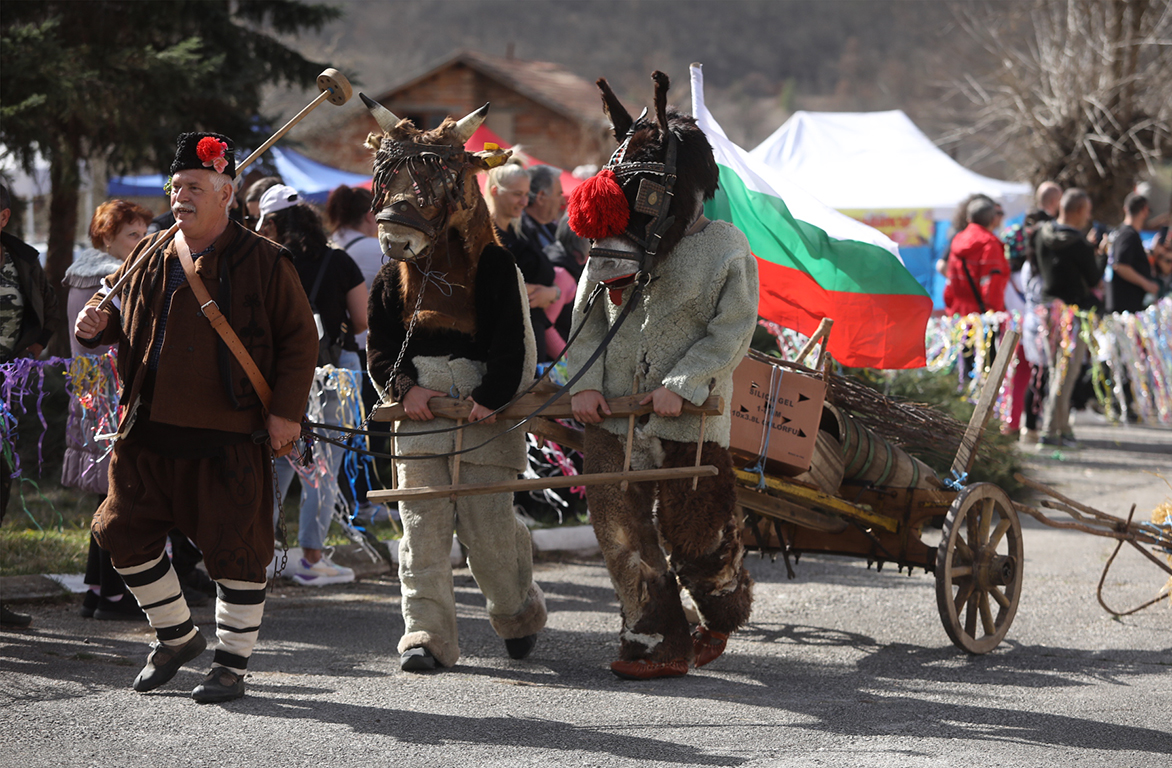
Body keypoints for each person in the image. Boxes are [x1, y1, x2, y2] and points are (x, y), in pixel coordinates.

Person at [74, 132, 318, 703]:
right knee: (121, 533)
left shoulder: (266, 262)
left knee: (237, 550)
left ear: (227, 192)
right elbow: (117, 316)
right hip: (148, 428)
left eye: (194, 187)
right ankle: (177, 636)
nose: (180, 196)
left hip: (228, 432)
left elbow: (300, 341)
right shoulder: (148, 251)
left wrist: (286, 414)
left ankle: (230, 665)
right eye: (176, 186)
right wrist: (96, 327)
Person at [360, 95, 546, 672]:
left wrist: (492, 400)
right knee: (421, 530)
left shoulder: (495, 266)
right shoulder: (393, 275)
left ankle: (517, 612)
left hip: (482, 407)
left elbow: (516, 343)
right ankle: (427, 636)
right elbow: (381, 347)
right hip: (419, 414)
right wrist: (406, 390)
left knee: (489, 533)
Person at [256, 184, 366, 586]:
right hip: (332, 372)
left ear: (271, 224)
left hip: (277, 375)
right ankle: (311, 558)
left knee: (274, 463)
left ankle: (260, 555)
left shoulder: (266, 261)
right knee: (322, 467)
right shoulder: (339, 261)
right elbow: (360, 320)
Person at [63, 200, 154, 620]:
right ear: (106, 237)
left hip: (89, 393)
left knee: (108, 496)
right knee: (119, 496)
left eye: (142, 233)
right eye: (132, 235)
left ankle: (96, 590)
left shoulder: (80, 273)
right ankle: (114, 597)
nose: (141, 241)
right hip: (107, 395)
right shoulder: (108, 278)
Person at [1, 182, 60, 628]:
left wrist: (34, 347)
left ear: (3, 218)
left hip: (6, 391)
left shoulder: (22, 258)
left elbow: (48, 310)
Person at [324, 184, 392, 523]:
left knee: (342, 433)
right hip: (369, 351)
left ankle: (347, 502)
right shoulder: (373, 248)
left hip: (333, 353)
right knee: (365, 434)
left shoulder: (332, 242)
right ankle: (364, 503)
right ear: (370, 216)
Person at [1033, 188, 1104, 448]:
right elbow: (1094, 279)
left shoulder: (1042, 234)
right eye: (1087, 211)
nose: (1088, 217)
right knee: (1067, 373)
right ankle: (1051, 431)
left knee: (1056, 370)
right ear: (1077, 211)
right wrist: (1101, 255)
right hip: (1074, 314)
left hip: (1049, 309)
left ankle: (1062, 428)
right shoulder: (1080, 244)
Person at [486, 162, 559, 363]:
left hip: (532, 333)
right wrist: (519, 291)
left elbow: (548, 273)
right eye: (518, 194)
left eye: (527, 194)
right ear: (495, 192)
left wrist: (553, 292)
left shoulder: (523, 232)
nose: (524, 202)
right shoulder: (483, 235)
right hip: (503, 341)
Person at [523, 166, 575, 358]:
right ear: (541, 196)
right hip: (535, 339)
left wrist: (555, 292)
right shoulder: (522, 230)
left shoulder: (550, 229)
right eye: (559, 194)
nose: (563, 200)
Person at [944, 197, 1009, 316]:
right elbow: (992, 288)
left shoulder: (957, 240)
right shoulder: (990, 245)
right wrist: (996, 317)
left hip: (957, 315)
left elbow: (949, 283)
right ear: (993, 220)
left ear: (969, 219)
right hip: (981, 320)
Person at [1107, 193, 1159, 314]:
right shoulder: (1128, 234)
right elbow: (1120, 265)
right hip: (1125, 307)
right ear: (1144, 210)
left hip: (1122, 304)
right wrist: (1147, 284)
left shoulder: (1120, 231)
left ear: (1126, 209)